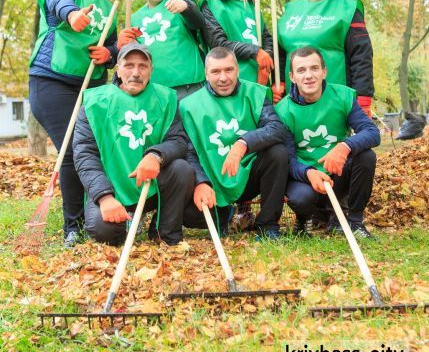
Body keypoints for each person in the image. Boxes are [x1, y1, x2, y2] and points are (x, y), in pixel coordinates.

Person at [29, 0, 118, 247]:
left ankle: (98, 216)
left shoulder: (108, 6)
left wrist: (110, 53)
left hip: (91, 85)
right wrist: (72, 16)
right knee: (70, 151)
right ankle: (73, 227)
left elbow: (115, 48)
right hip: (51, 80)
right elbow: (58, 2)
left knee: (91, 150)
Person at [73, 43, 194, 246]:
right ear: (118, 69)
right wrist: (104, 198)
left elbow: (179, 141)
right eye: (129, 65)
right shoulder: (95, 102)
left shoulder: (166, 98)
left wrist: (155, 156)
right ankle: (123, 227)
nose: (135, 73)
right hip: (113, 188)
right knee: (102, 230)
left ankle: (164, 232)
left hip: (152, 185)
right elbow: (85, 155)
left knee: (182, 169)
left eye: (142, 66)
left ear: (151, 70)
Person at [180, 47, 288, 240]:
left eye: (229, 70)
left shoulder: (255, 93)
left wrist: (243, 143)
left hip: (248, 175)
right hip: (213, 180)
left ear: (238, 70)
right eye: (215, 71)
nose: (223, 78)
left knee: (277, 153)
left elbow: (276, 128)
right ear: (206, 74)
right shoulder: (188, 105)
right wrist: (201, 182)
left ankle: (267, 225)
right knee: (187, 214)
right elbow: (188, 151)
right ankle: (225, 214)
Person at [275, 46, 380, 239]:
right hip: (306, 178)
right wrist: (308, 173)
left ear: (324, 72)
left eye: (314, 68)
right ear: (291, 76)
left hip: (337, 172)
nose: (308, 75)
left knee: (366, 156)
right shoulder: (282, 111)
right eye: (301, 70)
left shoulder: (343, 96)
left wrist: (344, 146)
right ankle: (306, 218)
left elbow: (372, 133)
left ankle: (354, 221)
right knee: (301, 198)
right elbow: (288, 159)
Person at [276, 0, 374, 117]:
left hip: (336, 91)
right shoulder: (291, 11)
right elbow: (280, 53)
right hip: (295, 95)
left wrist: (363, 96)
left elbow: (361, 54)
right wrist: (278, 82)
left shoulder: (347, 9)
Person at [117, 0, 205, 100]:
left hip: (190, 86)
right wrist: (122, 45)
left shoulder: (179, 3)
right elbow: (132, 56)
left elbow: (199, 24)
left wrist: (186, 8)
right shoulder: (133, 19)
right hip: (156, 91)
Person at [200, 0, 274, 86]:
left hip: (259, 77)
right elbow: (218, 43)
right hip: (229, 79)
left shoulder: (251, 3)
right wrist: (256, 52)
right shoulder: (209, 4)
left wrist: (266, 61)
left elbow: (266, 36)